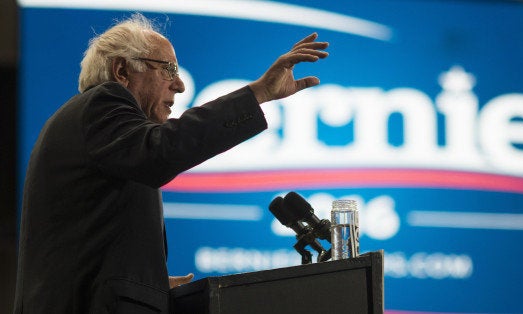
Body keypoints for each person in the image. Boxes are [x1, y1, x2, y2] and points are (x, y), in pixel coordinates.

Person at [14, 13, 328, 313]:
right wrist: (258, 93)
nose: (179, 85)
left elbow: (84, 242)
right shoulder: (102, 103)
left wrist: (148, 284)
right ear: (122, 71)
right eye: (168, 69)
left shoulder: (99, 132)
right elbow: (162, 151)